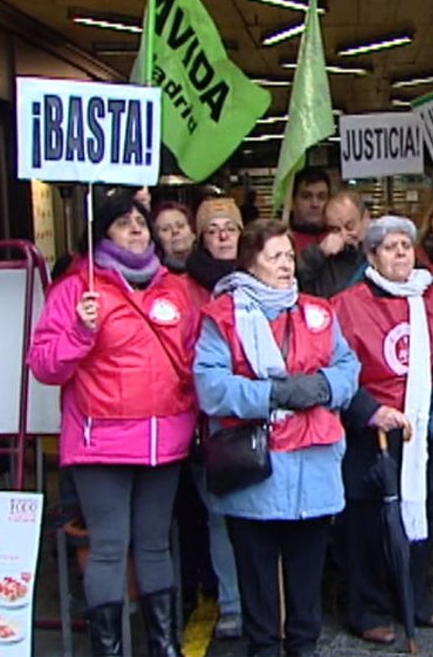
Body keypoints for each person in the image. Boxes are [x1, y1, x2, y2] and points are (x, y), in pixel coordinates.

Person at [28, 193, 198, 656]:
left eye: (141, 221)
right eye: (123, 223)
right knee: (108, 546)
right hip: (100, 442)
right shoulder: (75, 290)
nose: (137, 229)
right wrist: (79, 332)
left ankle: (163, 645)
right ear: (102, 233)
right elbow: (44, 366)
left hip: (164, 441)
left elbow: (193, 357)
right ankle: (109, 648)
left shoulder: (174, 289)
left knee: (154, 544)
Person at [193, 219, 360, 657]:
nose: (287, 265)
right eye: (275, 258)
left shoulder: (318, 312)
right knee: (258, 586)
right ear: (250, 265)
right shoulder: (221, 317)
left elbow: (348, 368)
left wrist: (322, 387)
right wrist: (272, 394)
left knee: (307, 580)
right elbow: (212, 387)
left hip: (313, 466)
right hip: (255, 471)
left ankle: (303, 648)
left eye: (289, 255)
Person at [332, 216, 433, 645]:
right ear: (371, 256)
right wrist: (369, 410)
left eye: (406, 244)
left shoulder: (428, 296)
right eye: (389, 247)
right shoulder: (347, 304)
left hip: (420, 428)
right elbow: (335, 368)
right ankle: (367, 609)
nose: (401, 253)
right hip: (373, 430)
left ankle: (415, 602)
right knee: (368, 524)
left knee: (422, 516)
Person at [173, 196, 244, 639]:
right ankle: (233, 603)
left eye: (230, 228)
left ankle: (264, 599)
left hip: (259, 413)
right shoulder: (183, 287)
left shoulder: (260, 276)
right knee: (220, 513)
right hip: (208, 417)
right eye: (213, 228)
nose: (222, 235)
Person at [298, 190, 370, 298]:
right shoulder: (322, 261)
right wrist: (319, 253)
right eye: (335, 229)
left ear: (365, 220)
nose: (343, 234)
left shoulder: (382, 253)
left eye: (349, 226)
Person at [289, 167, 332, 255]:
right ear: (292, 202)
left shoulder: (342, 241)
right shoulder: (282, 243)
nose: (315, 204)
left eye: (321, 197)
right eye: (306, 196)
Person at [152, 201, 196, 273]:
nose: (175, 231)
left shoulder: (210, 268)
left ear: (193, 233)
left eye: (180, 226)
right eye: (165, 229)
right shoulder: (155, 276)